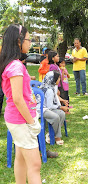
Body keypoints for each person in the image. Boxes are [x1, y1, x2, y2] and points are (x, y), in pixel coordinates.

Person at [0, 24, 42, 183]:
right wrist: (31, 123)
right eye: (28, 39)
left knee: (21, 158)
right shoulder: (16, 65)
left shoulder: (12, 63)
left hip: (17, 119)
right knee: (35, 165)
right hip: (21, 120)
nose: (30, 42)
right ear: (19, 41)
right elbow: (17, 99)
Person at [40, 71, 67, 145]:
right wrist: (60, 107)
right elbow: (49, 106)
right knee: (56, 117)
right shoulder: (49, 90)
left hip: (48, 108)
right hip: (42, 109)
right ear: (53, 79)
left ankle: (50, 133)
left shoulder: (52, 88)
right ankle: (57, 137)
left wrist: (60, 107)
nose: (59, 80)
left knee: (61, 114)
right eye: (58, 78)